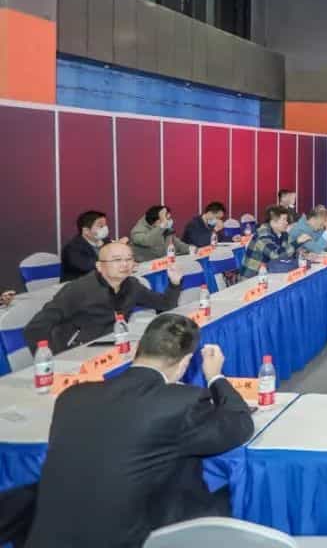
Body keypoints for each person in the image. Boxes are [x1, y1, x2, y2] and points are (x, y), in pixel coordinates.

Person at [25, 314, 255, 548]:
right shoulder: (182, 402)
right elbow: (239, 425)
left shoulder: (72, 397)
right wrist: (215, 376)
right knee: (232, 499)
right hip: (132, 540)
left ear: (138, 349)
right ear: (185, 362)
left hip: (48, 540)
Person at [23, 242, 182, 354]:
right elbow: (35, 328)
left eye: (129, 259)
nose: (125, 264)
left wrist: (174, 284)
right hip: (78, 354)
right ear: (99, 266)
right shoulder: (78, 290)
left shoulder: (132, 285)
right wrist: (52, 361)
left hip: (113, 350)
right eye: (117, 260)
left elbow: (165, 304)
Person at [240, 206, 308, 278]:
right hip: (252, 278)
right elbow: (276, 255)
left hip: (271, 274)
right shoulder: (262, 235)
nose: (287, 223)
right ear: (273, 222)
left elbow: (287, 253)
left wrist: (304, 255)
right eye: (284, 220)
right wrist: (297, 242)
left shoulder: (283, 234)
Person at [60, 209, 124, 283]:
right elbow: (90, 267)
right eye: (101, 226)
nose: (105, 228)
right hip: (78, 284)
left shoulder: (106, 241)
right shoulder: (72, 248)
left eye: (105, 225)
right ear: (86, 231)